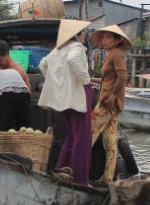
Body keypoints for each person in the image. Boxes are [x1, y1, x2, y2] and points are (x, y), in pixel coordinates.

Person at [38, 19, 93, 184]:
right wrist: (86, 80)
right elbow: (72, 60)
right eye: (83, 32)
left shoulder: (57, 50)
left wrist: (57, 83)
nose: (85, 35)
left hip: (63, 98)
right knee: (82, 139)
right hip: (78, 95)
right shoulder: (76, 48)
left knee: (70, 137)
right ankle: (81, 180)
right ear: (77, 35)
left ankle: (62, 171)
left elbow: (42, 65)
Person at [89, 24, 131, 181]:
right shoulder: (111, 54)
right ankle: (107, 177)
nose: (104, 40)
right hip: (112, 103)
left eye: (108, 37)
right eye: (103, 37)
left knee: (89, 134)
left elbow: (123, 77)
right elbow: (107, 80)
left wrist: (113, 96)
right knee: (109, 141)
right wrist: (89, 79)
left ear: (117, 40)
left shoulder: (116, 54)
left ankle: (78, 170)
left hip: (108, 103)